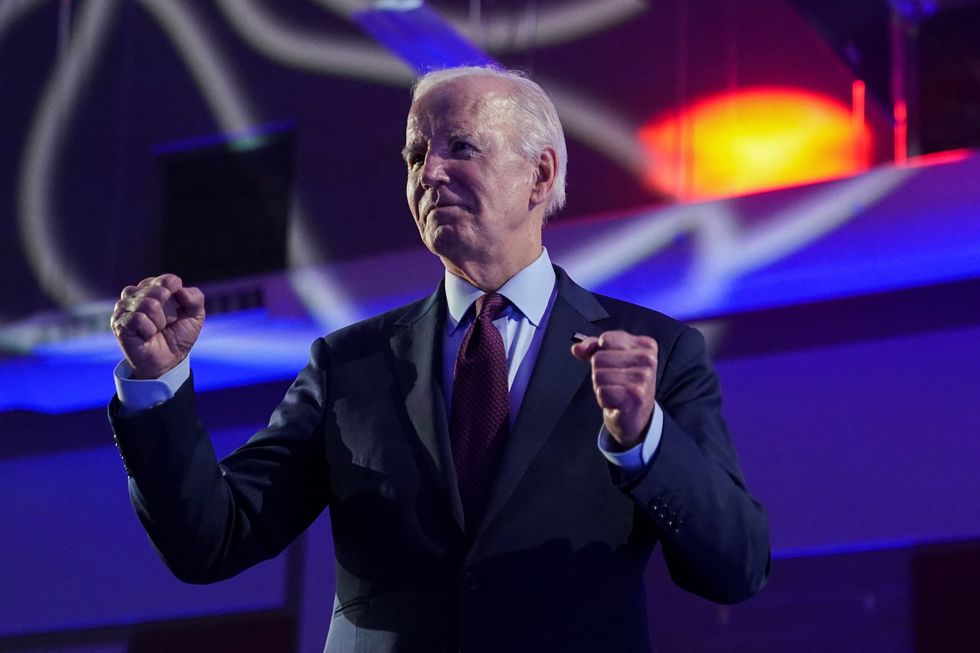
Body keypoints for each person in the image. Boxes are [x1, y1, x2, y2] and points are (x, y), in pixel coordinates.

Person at [109, 66, 770, 652]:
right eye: (416, 153)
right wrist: (155, 385)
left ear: (539, 174)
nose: (429, 172)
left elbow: (736, 565)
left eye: (461, 147)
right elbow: (213, 537)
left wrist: (643, 440)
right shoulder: (349, 364)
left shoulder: (657, 353)